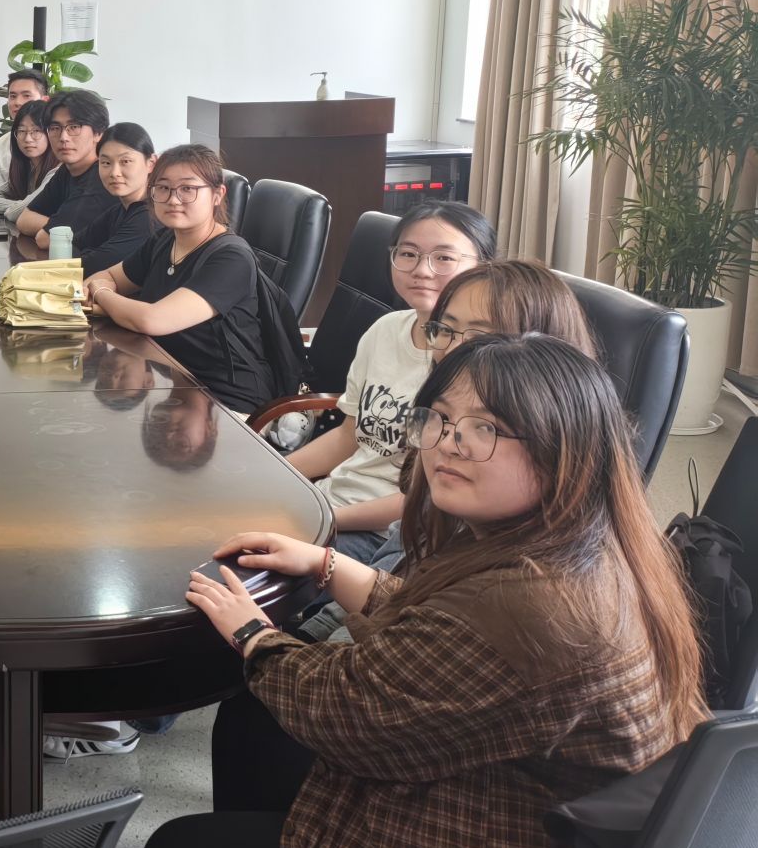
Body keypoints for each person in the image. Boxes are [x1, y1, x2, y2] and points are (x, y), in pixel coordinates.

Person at [144, 335, 705, 848]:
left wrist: (252, 634)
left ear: (565, 449)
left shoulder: (530, 604)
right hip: (537, 839)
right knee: (258, 731)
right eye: (440, 418)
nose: (448, 444)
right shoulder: (589, 545)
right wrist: (328, 566)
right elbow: (438, 639)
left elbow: (346, 714)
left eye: (486, 428)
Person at [325, 258, 596, 567]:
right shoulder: (444, 417)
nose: (455, 350)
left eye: (481, 337)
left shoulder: (531, 554)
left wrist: (328, 551)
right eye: (447, 329)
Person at [281, 202, 497, 546]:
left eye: (444, 258)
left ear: (483, 268)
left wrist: (327, 519)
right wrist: (276, 475)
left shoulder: (478, 362)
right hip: (330, 499)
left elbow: (428, 497)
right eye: (408, 254)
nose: (422, 270)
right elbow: (347, 437)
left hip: (387, 536)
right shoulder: (385, 329)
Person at [82, 144, 278, 415]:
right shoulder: (165, 239)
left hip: (226, 399)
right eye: (163, 188)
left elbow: (152, 320)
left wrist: (102, 294)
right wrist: (104, 289)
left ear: (217, 195)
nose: (173, 199)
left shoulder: (232, 258)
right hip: (176, 379)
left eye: (188, 189)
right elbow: (106, 276)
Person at [36, 120, 155, 271]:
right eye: (106, 163)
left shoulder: (149, 217)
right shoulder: (119, 210)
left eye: (125, 161)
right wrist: (90, 256)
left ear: (151, 163)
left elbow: (94, 265)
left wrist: (89, 256)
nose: (114, 173)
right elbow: (72, 245)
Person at [12, 89, 112, 241]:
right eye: (55, 128)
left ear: (98, 133)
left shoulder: (103, 178)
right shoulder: (67, 170)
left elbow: (45, 239)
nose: (63, 137)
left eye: (74, 127)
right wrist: (59, 227)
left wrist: (53, 229)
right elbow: (23, 220)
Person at [0, 98, 57, 220]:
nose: (28, 138)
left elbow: (15, 213)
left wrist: (21, 208)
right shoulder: (29, 170)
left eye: (36, 131)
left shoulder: (57, 172)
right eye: (21, 131)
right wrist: (22, 206)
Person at [0, 68, 49, 209]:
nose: (17, 102)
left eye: (26, 95)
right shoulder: (1, 145)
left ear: (45, 101)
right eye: (12, 96)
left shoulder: (60, 144)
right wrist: (23, 208)